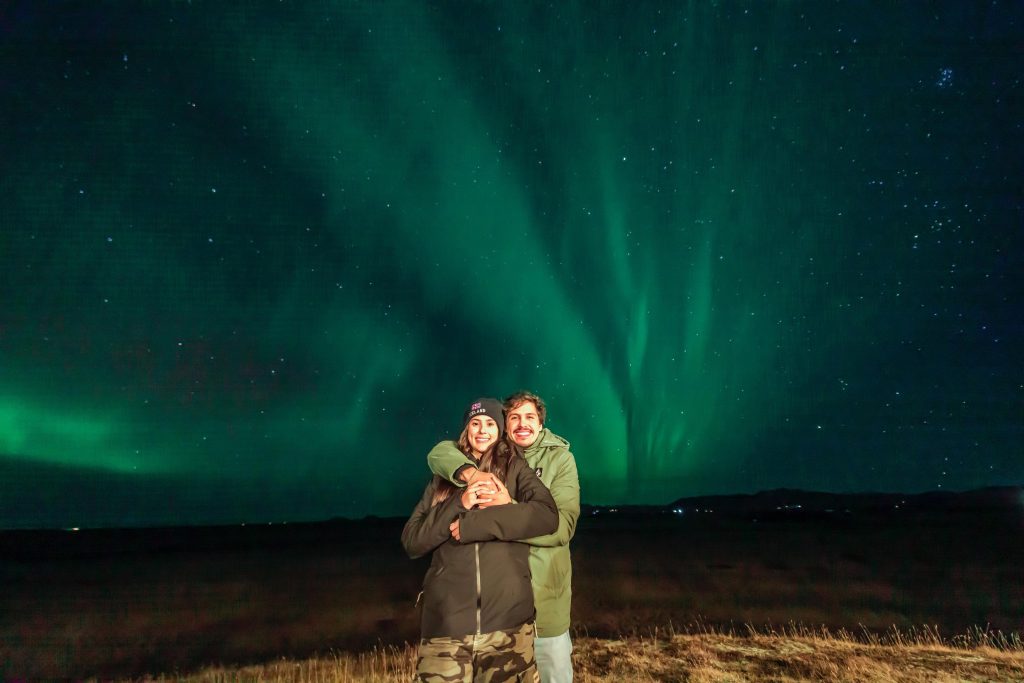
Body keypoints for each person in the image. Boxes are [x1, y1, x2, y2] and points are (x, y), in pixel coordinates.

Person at [402, 397, 558, 683]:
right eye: (475, 423)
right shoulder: (443, 478)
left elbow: (547, 515)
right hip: (447, 629)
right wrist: (459, 502)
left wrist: (474, 524)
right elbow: (412, 541)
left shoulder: (515, 469)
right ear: (466, 430)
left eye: (490, 423)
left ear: (500, 430)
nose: (482, 430)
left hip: (508, 628)